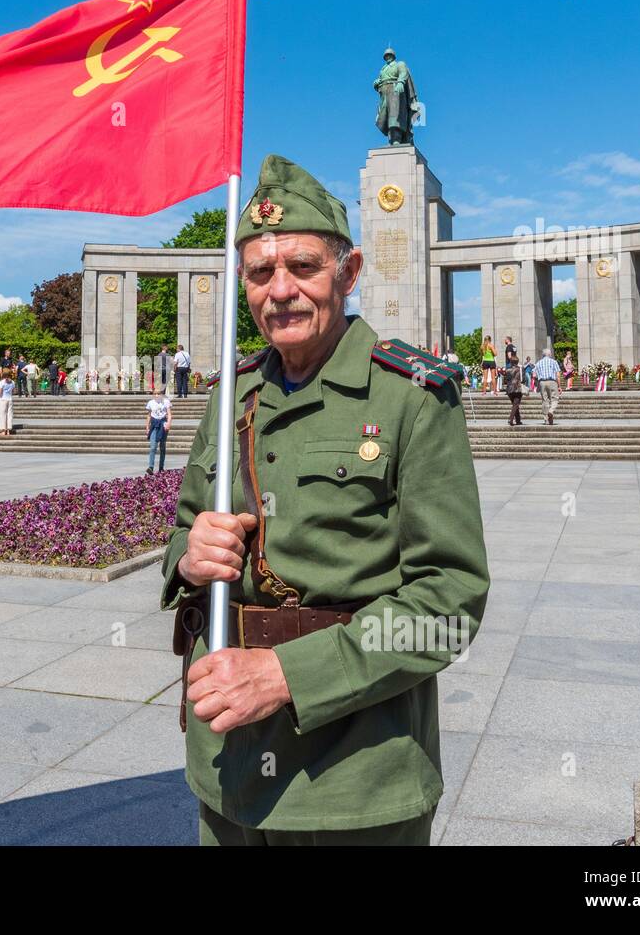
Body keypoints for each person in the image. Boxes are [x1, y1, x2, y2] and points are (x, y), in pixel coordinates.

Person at [161, 154, 487, 846]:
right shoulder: (234, 394)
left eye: (303, 267)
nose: (280, 290)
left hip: (354, 781)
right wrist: (188, 557)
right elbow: (186, 527)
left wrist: (286, 674)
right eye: (260, 272)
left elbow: (450, 603)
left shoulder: (411, 395)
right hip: (226, 766)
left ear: (349, 270)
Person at [145, 386, 172, 474]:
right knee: (153, 447)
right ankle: (151, 467)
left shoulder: (166, 402)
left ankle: (161, 467)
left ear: (162, 394)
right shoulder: (150, 403)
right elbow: (149, 415)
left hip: (163, 424)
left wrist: (168, 423)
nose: (156, 395)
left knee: (162, 446)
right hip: (154, 425)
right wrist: (147, 427)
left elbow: (169, 414)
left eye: (158, 394)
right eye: (155, 394)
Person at [532, 347, 561, 425]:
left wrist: (537, 383)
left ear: (543, 355)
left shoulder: (538, 363)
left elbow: (534, 375)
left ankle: (546, 420)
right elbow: (558, 375)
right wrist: (559, 386)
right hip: (552, 382)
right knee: (555, 399)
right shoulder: (553, 362)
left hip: (542, 383)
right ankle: (551, 411)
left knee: (545, 400)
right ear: (549, 354)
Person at [504, 357, 524, 426]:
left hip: (509, 389)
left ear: (511, 362)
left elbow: (505, 380)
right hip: (517, 388)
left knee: (515, 405)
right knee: (515, 404)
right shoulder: (520, 369)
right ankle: (511, 419)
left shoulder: (507, 370)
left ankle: (518, 420)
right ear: (517, 362)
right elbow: (523, 379)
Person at [0, 369, 15, 436]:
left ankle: (3, 431)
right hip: (10, 399)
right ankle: (8, 431)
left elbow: (0, 393)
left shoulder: (2, 382)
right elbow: (13, 392)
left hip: (3, 399)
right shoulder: (13, 382)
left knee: (2, 415)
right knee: (9, 415)